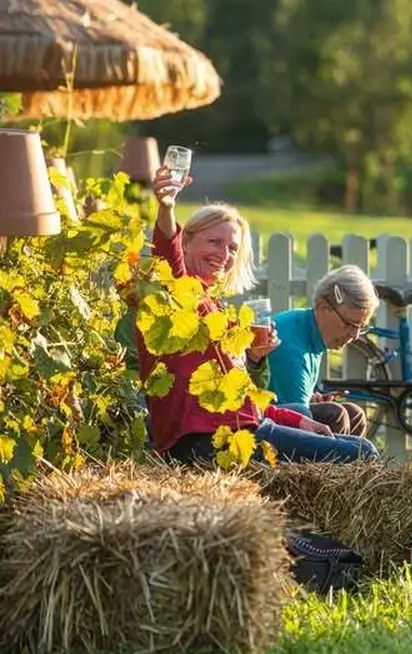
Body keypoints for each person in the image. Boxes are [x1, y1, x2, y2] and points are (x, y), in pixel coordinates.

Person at [135, 165, 378, 465]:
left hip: (245, 428)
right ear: (186, 241)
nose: (224, 255)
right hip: (204, 441)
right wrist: (166, 207)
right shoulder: (178, 293)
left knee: (355, 443)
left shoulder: (218, 311)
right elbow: (168, 252)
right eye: (214, 242)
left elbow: (244, 396)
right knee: (363, 454)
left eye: (233, 248)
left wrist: (257, 366)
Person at [266, 265, 378, 436]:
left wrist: (311, 398)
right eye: (349, 324)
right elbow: (296, 419)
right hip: (263, 427)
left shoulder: (306, 327)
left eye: (361, 327)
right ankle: (340, 462)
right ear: (324, 306)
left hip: (279, 414)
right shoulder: (292, 348)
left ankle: (350, 461)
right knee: (336, 415)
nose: (355, 335)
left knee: (355, 414)